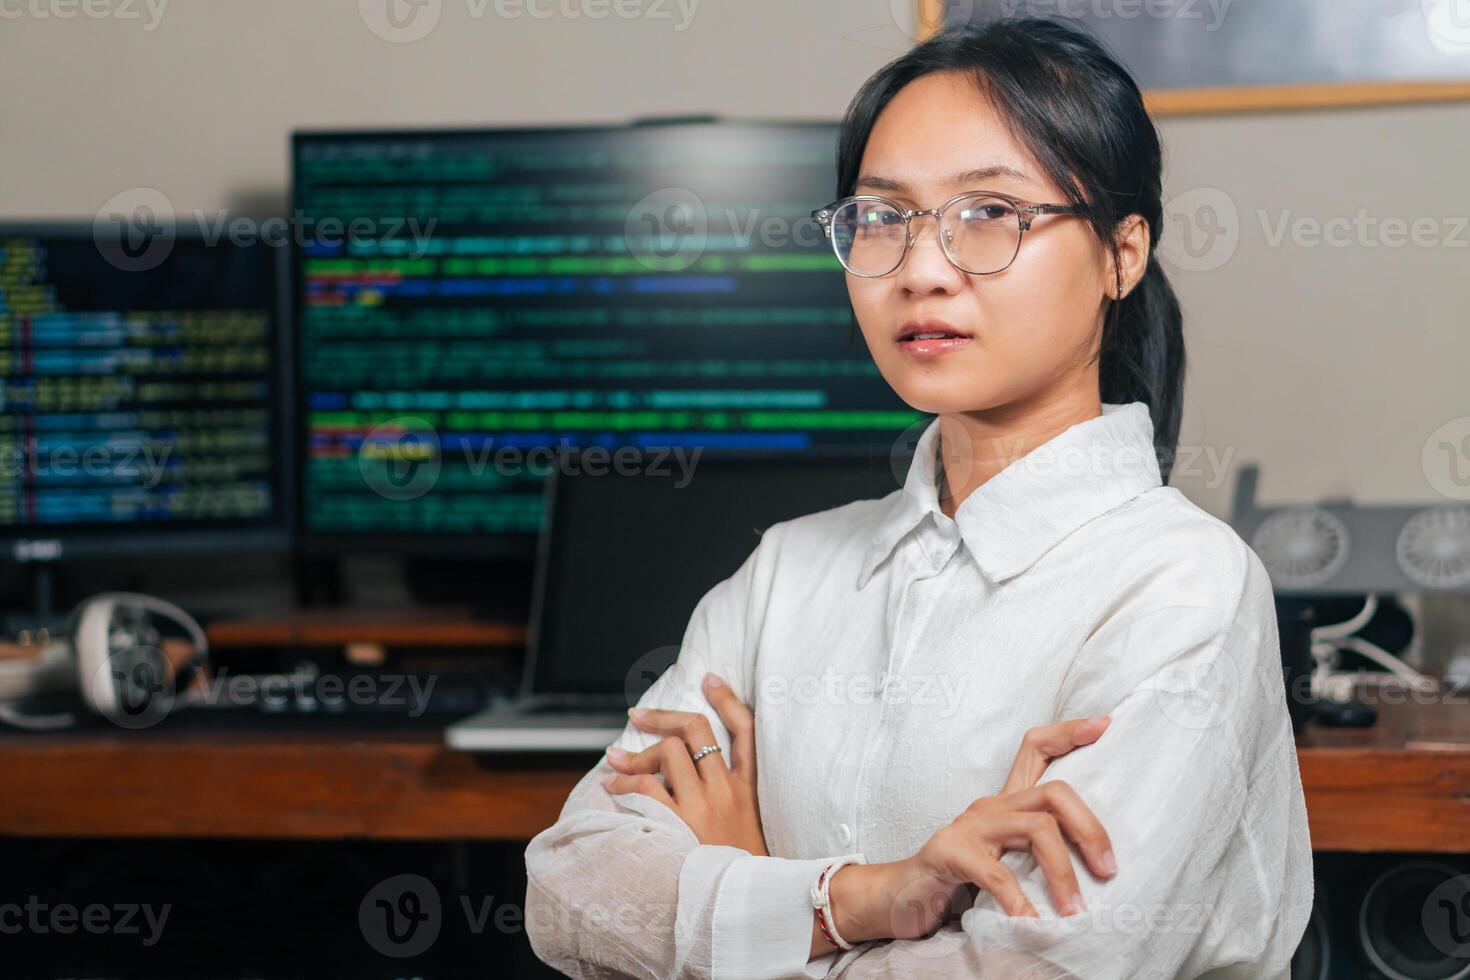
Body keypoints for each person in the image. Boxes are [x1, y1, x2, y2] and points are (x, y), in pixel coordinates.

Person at [524, 16, 1312, 980]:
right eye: (883, 218)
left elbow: (1033, 971)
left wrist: (746, 891)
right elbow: (569, 893)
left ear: (1124, 252)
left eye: (991, 213)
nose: (923, 269)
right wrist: (865, 895)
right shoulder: (789, 569)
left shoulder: (1182, 587)